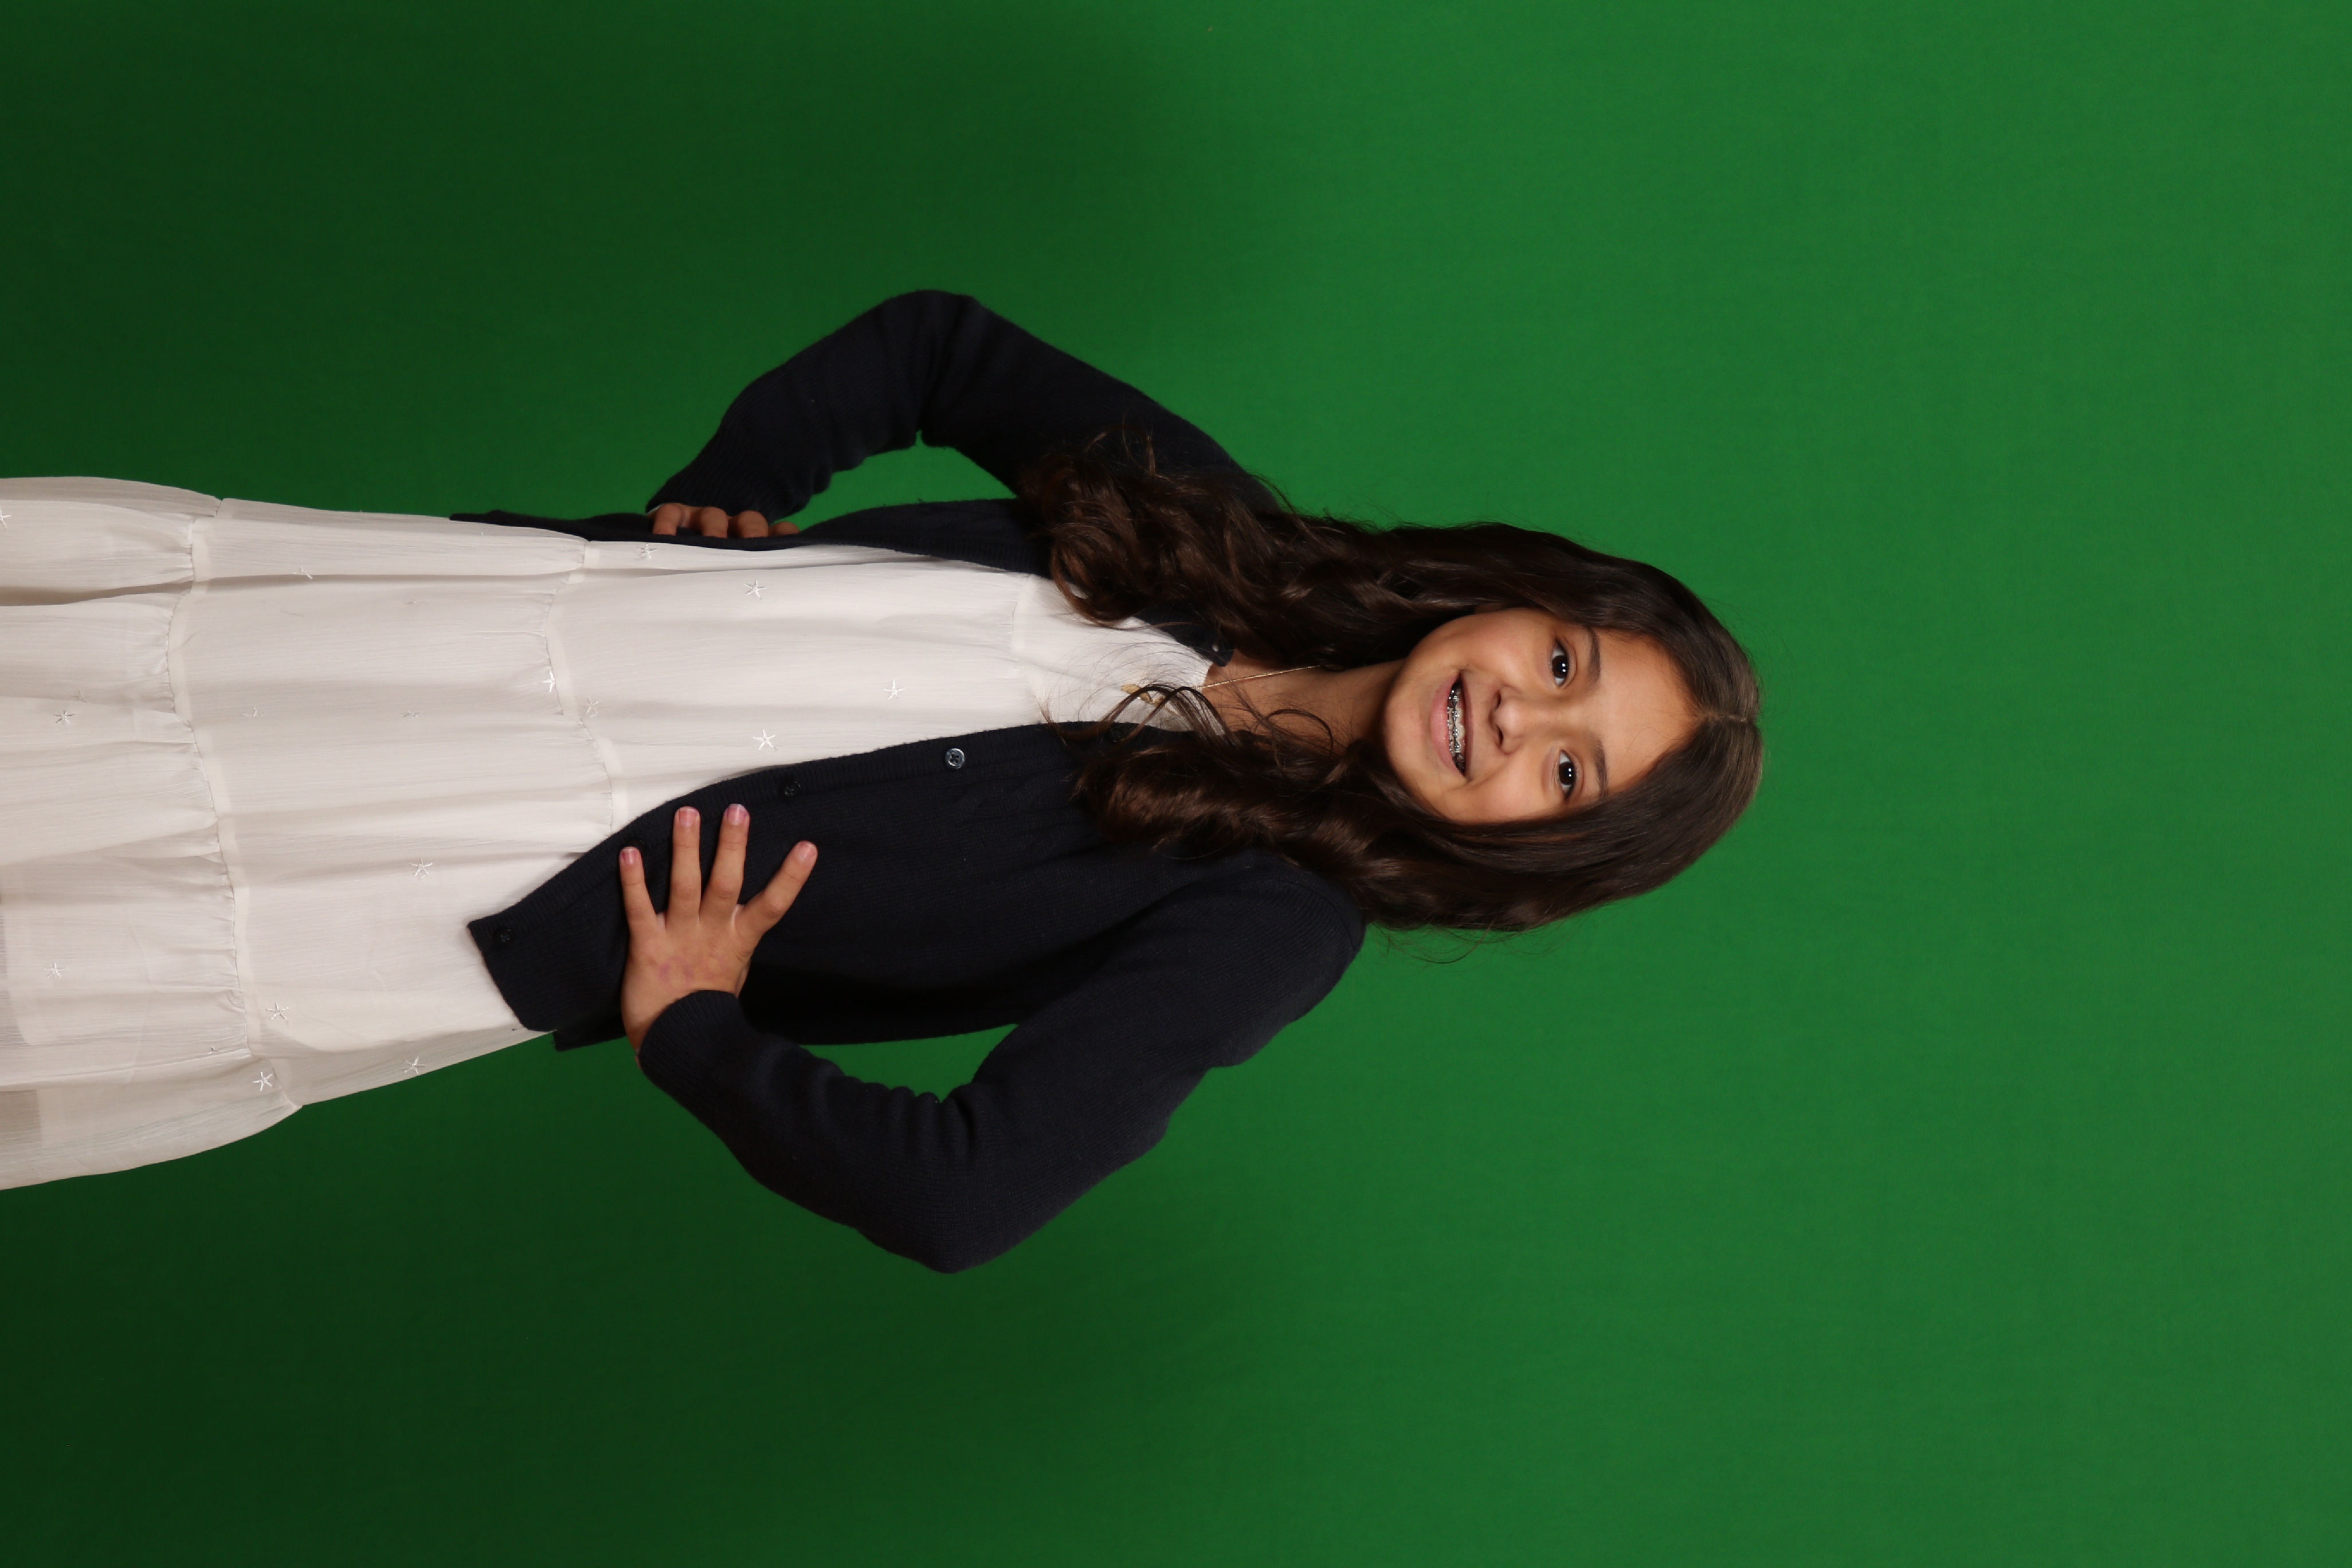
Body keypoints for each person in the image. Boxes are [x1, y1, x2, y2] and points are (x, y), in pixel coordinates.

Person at [0, 292, 1761, 1268]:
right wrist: (741, 480)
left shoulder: (1268, 925)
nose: (1515, 723)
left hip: (451, 882)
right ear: (1518, 594)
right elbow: (939, 345)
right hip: (446, 635)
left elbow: (963, 1191)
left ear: (1535, 851)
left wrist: (697, 1032)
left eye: (1568, 775)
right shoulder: (1220, 530)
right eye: (1562, 666)